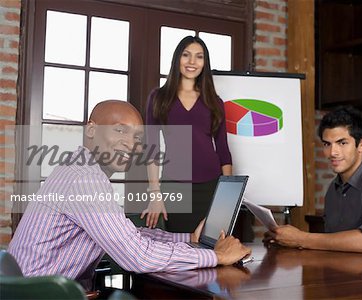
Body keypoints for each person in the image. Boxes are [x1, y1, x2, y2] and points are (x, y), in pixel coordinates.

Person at [8, 100, 250, 290]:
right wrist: (215, 255)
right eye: (120, 130)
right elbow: (137, 256)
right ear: (91, 130)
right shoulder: (84, 179)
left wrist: (188, 238)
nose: (131, 144)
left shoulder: (79, 168)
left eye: (136, 137)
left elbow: (129, 234)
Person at [264, 106, 362, 253]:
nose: (333, 152)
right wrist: (287, 241)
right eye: (327, 144)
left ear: (361, 144)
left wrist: (301, 239)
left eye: (342, 143)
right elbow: (334, 243)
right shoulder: (334, 189)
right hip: (357, 273)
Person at [142, 36, 232, 231]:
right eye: (186, 55)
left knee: (211, 249)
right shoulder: (159, 97)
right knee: (179, 247)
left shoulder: (215, 102)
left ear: (204, 63)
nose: (192, 62)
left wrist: (228, 198)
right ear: (177, 59)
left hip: (211, 186)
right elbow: (152, 148)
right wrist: (155, 194)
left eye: (199, 57)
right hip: (174, 185)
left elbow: (223, 151)